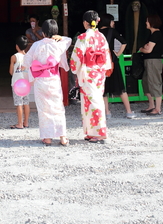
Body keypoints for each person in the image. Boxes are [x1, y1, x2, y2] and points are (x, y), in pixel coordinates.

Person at [24, 19, 71, 146]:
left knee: (43, 109)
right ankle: (63, 137)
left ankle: (48, 137)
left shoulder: (36, 45)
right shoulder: (59, 45)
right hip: (54, 79)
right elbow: (68, 40)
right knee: (58, 107)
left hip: (40, 80)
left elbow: (26, 61)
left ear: (43, 32)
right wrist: (59, 37)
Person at [71, 10, 113, 144]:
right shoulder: (101, 37)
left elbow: (76, 56)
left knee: (93, 102)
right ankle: (90, 132)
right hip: (99, 73)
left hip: (88, 73)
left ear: (85, 23)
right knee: (92, 101)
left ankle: (100, 133)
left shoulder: (83, 37)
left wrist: (74, 68)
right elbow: (106, 54)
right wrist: (104, 69)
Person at [100, 13, 135, 119]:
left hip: (100, 62)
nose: (113, 22)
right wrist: (118, 53)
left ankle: (107, 112)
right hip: (112, 61)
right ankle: (129, 111)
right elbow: (124, 42)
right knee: (121, 88)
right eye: (112, 20)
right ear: (108, 21)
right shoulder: (112, 31)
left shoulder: (97, 33)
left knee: (103, 89)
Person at [138, 14, 163, 116]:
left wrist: (141, 49)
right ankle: (151, 105)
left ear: (152, 22)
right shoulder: (152, 34)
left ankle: (158, 108)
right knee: (147, 82)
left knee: (155, 82)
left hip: (153, 61)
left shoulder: (156, 34)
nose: (146, 23)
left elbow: (148, 50)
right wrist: (144, 48)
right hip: (149, 60)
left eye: (147, 21)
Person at [9, 36, 31, 130]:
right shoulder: (28, 57)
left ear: (17, 46)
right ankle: (26, 122)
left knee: (19, 103)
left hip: (17, 83)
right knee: (26, 102)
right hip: (26, 83)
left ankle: (19, 124)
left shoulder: (14, 57)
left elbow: (11, 71)